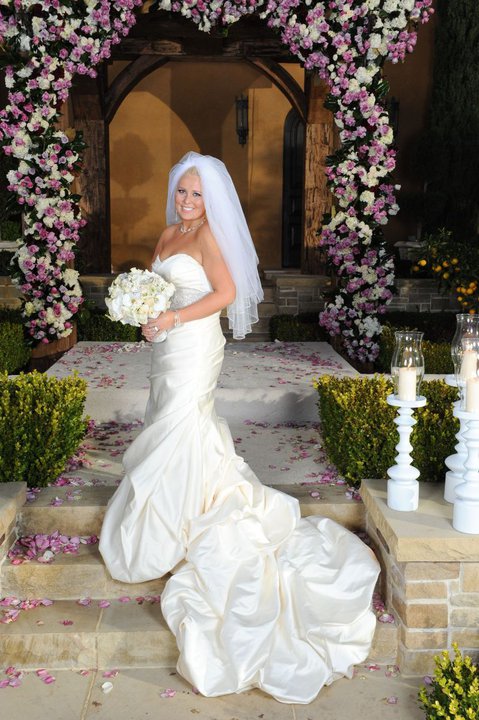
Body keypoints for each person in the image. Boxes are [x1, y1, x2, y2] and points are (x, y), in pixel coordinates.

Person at [99, 151, 380, 705]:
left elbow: (223, 295)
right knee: (167, 420)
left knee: (182, 422)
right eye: (183, 190)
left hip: (196, 344)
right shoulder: (165, 233)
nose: (187, 201)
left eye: (198, 194)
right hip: (167, 347)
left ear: (212, 201)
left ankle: (179, 513)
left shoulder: (207, 239)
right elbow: (159, 291)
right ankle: (180, 498)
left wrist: (175, 317)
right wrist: (148, 318)